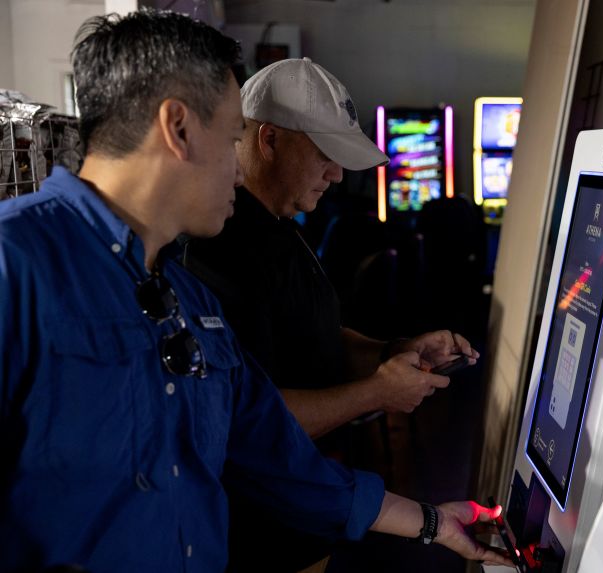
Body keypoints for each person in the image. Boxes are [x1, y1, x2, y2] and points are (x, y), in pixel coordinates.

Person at [0, 10, 510, 573]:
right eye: (232, 139)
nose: (239, 173)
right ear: (180, 128)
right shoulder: (16, 265)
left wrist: (435, 523)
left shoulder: (187, 302)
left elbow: (274, 452)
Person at [182, 56, 483, 572]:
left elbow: (314, 335)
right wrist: (376, 392)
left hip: (312, 510)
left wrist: (394, 351)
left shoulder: (281, 224)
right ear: (268, 139)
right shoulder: (221, 244)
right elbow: (249, 418)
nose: (338, 173)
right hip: (258, 534)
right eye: (324, 152)